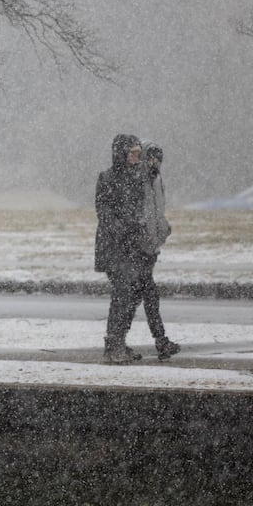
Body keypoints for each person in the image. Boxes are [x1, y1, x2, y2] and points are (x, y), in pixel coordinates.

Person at [94, 133, 151, 364]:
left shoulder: (138, 178)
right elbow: (104, 212)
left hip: (133, 246)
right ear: (122, 153)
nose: (136, 157)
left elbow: (142, 209)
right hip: (114, 247)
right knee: (122, 293)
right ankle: (113, 344)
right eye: (132, 153)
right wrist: (124, 229)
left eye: (139, 153)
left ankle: (120, 340)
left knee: (134, 293)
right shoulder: (107, 178)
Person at [139, 144, 179, 360]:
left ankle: (160, 340)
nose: (154, 163)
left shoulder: (156, 180)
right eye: (150, 158)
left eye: (157, 159)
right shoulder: (139, 181)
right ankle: (160, 340)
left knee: (145, 297)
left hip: (150, 247)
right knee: (146, 296)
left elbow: (157, 212)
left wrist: (162, 231)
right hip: (138, 249)